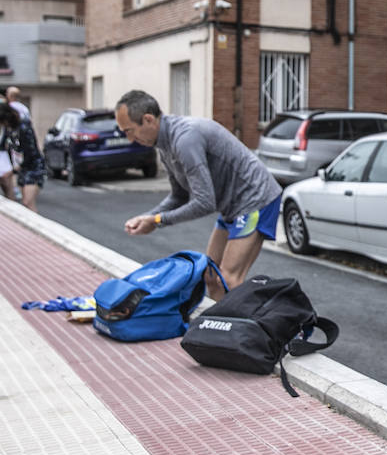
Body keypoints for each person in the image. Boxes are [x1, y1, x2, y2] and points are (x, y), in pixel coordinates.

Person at [115, 90, 281, 299]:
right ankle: (220, 326)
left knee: (228, 278)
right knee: (210, 275)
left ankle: (242, 329)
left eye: (129, 131)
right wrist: (147, 216)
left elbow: (204, 202)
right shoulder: (165, 145)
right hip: (232, 205)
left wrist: (157, 221)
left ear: (148, 120)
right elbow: (179, 196)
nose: (129, 139)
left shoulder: (185, 139)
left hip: (256, 198)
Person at [0, 103, 46, 212]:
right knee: (24, 204)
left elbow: (31, 152)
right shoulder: (8, 129)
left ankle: (34, 223)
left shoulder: (24, 127)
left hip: (33, 167)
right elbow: (1, 146)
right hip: (21, 167)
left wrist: (13, 170)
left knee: (28, 202)